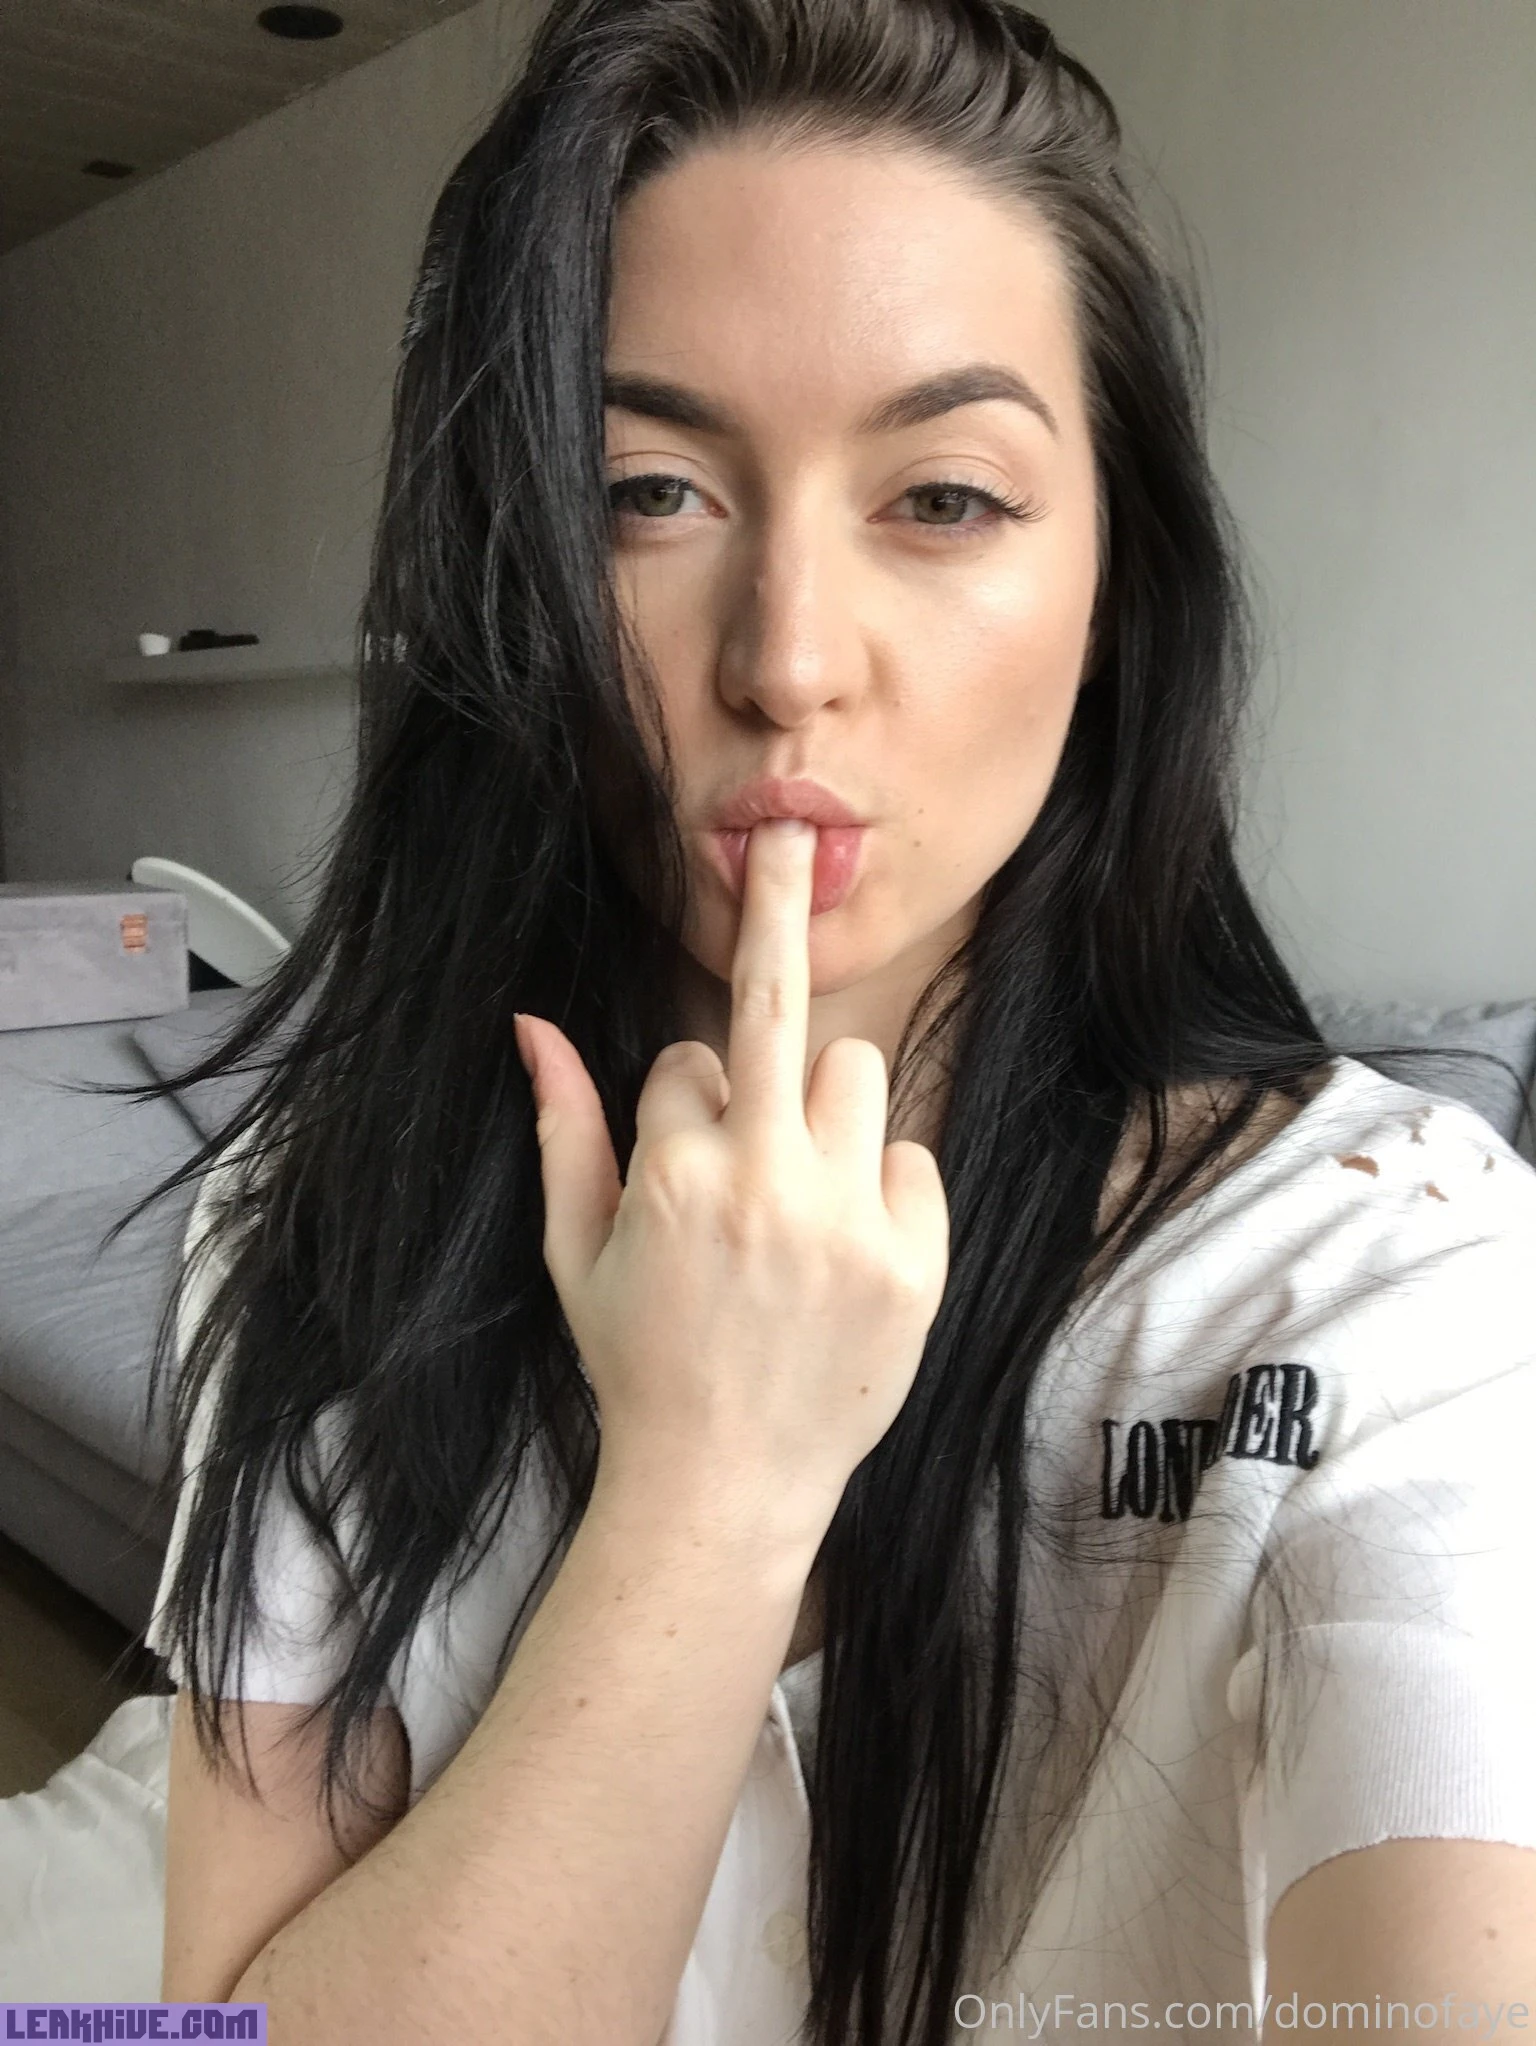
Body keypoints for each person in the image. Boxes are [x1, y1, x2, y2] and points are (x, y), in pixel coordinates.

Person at [136, 0, 1536, 2039]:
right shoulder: (322, 1222)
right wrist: (709, 1482)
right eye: (646, 491)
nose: (788, 660)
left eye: (945, 498)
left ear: (1117, 594)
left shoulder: (1393, 1290)